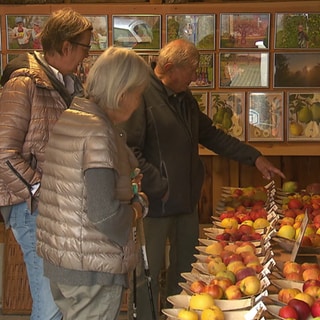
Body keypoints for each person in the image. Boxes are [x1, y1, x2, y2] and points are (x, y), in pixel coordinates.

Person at [119, 38, 286, 320]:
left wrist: (254, 157)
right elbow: (129, 151)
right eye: (192, 70)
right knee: (145, 276)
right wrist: (160, 185)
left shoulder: (184, 98)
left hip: (185, 203)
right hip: (153, 206)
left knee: (185, 275)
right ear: (169, 67)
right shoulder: (140, 94)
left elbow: (212, 136)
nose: (195, 77)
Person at [36, 46, 150, 320]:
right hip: (91, 268)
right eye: (139, 94)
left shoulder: (74, 116)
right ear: (123, 95)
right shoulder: (99, 132)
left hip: (65, 260)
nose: (139, 103)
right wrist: (137, 208)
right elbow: (105, 214)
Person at [0, 8, 93, 320]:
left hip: (55, 208)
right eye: (85, 47)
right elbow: (3, 153)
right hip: (33, 209)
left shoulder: (65, 84)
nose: (86, 55)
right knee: (50, 304)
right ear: (66, 47)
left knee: (61, 300)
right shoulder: (23, 83)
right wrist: (41, 189)